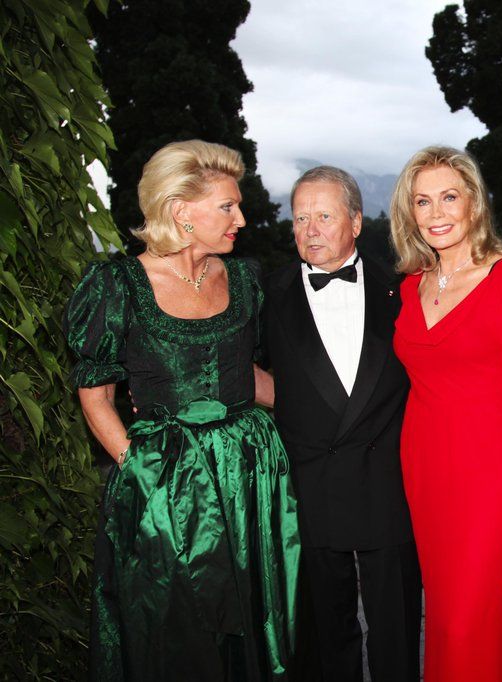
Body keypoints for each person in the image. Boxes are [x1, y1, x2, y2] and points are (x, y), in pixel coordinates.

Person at [65, 140, 299, 680]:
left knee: (252, 622)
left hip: (251, 476)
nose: (241, 219)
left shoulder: (244, 279)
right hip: (163, 483)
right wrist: (138, 468)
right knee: (170, 625)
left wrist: (333, 409)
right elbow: (96, 396)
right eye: (227, 206)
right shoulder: (117, 287)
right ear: (180, 210)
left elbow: (249, 377)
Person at [262, 166, 421, 681]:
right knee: (326, 637)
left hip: (387, 481)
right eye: (300, 218)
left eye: (324, 217)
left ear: (355, 222)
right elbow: (238, 369)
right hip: (309, 484)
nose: (310, 230)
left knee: (396, 628)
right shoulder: (268, 295)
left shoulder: (405, 290)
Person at [390, 146, 502, 681]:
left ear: (474, 203)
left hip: (491, 475)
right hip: (426, 471)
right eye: (422, 201)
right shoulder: (411, 286)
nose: (436, 213)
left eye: (449, 197)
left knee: (470, 618)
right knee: (444, 613)